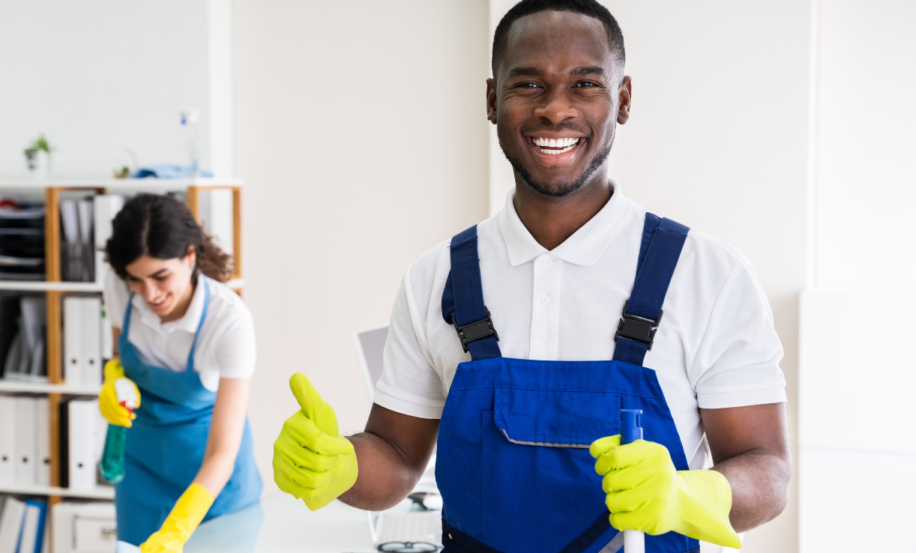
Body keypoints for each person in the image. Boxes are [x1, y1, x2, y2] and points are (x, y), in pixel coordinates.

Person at [272, 0, 791, 552]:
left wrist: (690, 495)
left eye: (585, 84)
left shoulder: (708, 276)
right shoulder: (436, 278)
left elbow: (766, 468)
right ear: (492, 100)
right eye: (528, 85)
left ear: (623, 99)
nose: (555, 109)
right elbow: (396, 457)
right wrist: (341, 465)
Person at [100, 193, 261, 552]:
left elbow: (222, 452)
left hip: (210, 482)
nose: (150, 294)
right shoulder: (118, 287)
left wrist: (177, 530)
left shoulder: (229, 321)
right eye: (136, 279)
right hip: (141, 470)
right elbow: (119, 355)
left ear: (189, 256)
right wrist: (113, 378)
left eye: (161, 276)